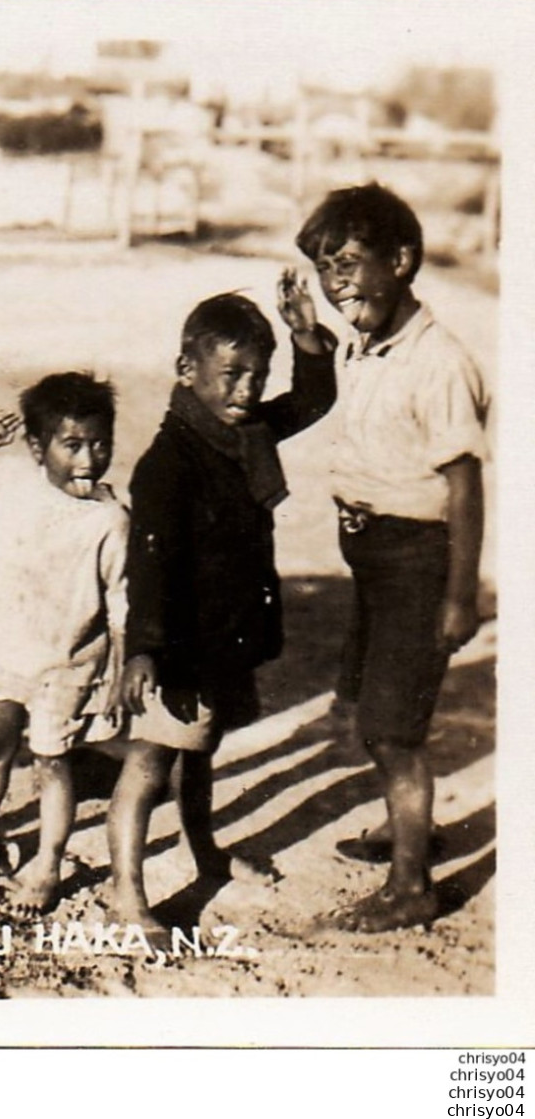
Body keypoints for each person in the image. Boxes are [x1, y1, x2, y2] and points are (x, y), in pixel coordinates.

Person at [294, 183, 488, 932]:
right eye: (322, 269)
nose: (336, 284)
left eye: (347, 264)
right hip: (375, 562)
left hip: (416, 561)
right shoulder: (366, 340)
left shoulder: (437, 363)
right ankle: (400, 830)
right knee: (373, 707)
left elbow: (464, 485)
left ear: (401, 261)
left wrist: (459, 594)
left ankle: (411, 885)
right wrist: (308, 332)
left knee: (391, 728)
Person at [114, 288, 336, 940]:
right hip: (177, 642)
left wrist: (305, 338)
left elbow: (312, 401)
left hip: (223, 632)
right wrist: (143, 648)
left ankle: (204, 851)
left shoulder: (242, 434)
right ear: (187, 370)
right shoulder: (167, 463)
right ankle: (123, 891)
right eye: (229, 375)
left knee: (201, 748)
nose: (245, 390)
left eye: (256, 377)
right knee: (152, 759)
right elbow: (148, 564)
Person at [0, 374, 128, 917]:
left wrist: (116, 673)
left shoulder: (111, 520)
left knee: (52, 763)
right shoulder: (9, 481)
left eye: (100, 444)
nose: (89, 458)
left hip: (63, 667)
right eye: (72, 445)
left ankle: (47, 862)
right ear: (39, 449)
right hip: (3, 649)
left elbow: (120, 604)